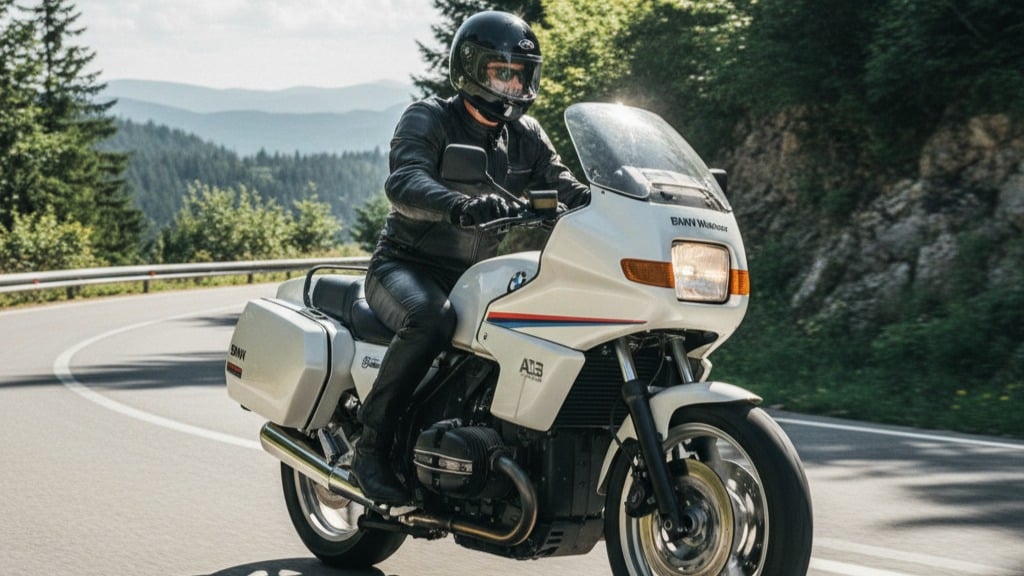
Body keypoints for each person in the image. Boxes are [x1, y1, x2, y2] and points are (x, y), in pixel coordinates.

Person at [350, 10, 590, 504]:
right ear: (472, 68)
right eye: (502, 71)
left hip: (477, 277)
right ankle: (369, 447)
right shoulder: (429, 117)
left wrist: (612, 203)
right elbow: (404, 181)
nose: (512, 84)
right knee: (431, 321)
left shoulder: (526, 136)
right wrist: (458, 204)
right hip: (405, 266)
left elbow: (564, 183)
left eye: (520, 74)